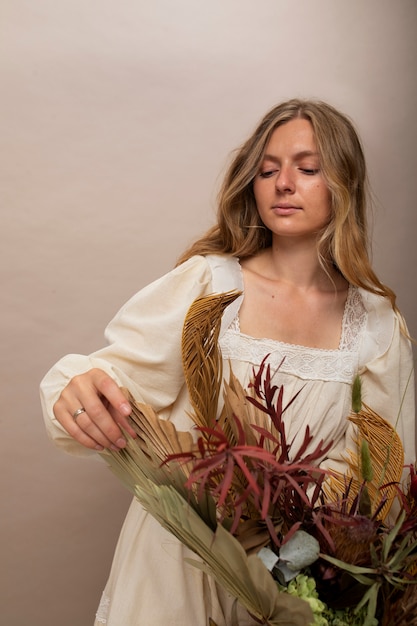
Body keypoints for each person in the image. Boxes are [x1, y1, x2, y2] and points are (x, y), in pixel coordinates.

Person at [40, 99, 415, 626]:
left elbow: (385, 485)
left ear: (344, 184)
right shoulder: (208, 286)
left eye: (307, 168)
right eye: (267, 170)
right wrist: (76, 389)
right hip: (181, 562)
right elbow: (113, 377)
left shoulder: (376, 325)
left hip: (295, 581)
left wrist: (309, 572)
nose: (283, 183)